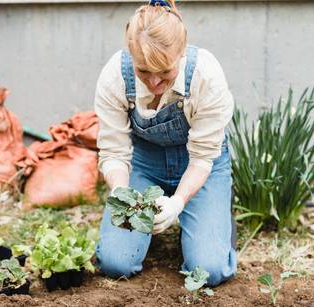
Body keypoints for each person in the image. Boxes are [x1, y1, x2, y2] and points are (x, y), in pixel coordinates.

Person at [93, 0, 236, 286]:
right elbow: (114, 152)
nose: (154, 82)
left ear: (181, 54)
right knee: (114, 263)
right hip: (143, 162)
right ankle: (151, 232)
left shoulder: (205, 75)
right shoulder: (115, 76)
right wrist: (124, 195)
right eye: (144, 71)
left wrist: (178, 202)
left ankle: (213, 218)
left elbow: (202, 158)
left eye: (165, 72)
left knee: (208, 270)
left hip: (198, 164)